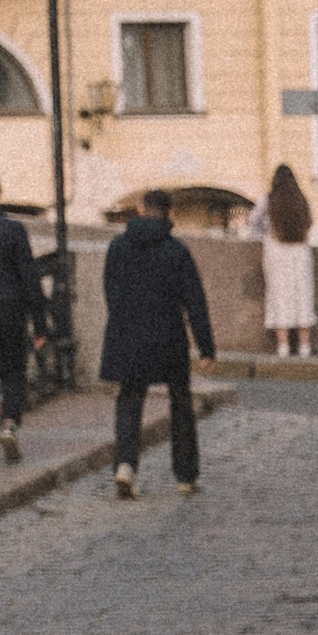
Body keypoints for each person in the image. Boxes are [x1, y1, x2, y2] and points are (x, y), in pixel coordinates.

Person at [100, 188, 217, 500]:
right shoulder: (177, 251)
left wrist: (124, 324)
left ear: (140, 209)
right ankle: (186, 475)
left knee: (129, 399)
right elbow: (195, 302)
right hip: (168, 337)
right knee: (180, 401)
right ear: (170, 214)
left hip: (128, 335)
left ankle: (125, 465)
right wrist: (206, 348)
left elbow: (110, 291)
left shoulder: (118, 246)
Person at [0, 173, 48, 466]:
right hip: (9, 309)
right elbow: (30, 276)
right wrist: (40, 325)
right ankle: (10, 424)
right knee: (13, 372)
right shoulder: (13, 230)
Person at [247, 163, 317, 357]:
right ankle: (304, 346)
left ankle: (283, 346)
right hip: (300, 251)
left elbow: (253, 220)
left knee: (279, 296)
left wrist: (264, 232)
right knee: (303, 295)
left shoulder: (269, 200)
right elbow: (310, 222)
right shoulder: (302, 200)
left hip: (276, 250)